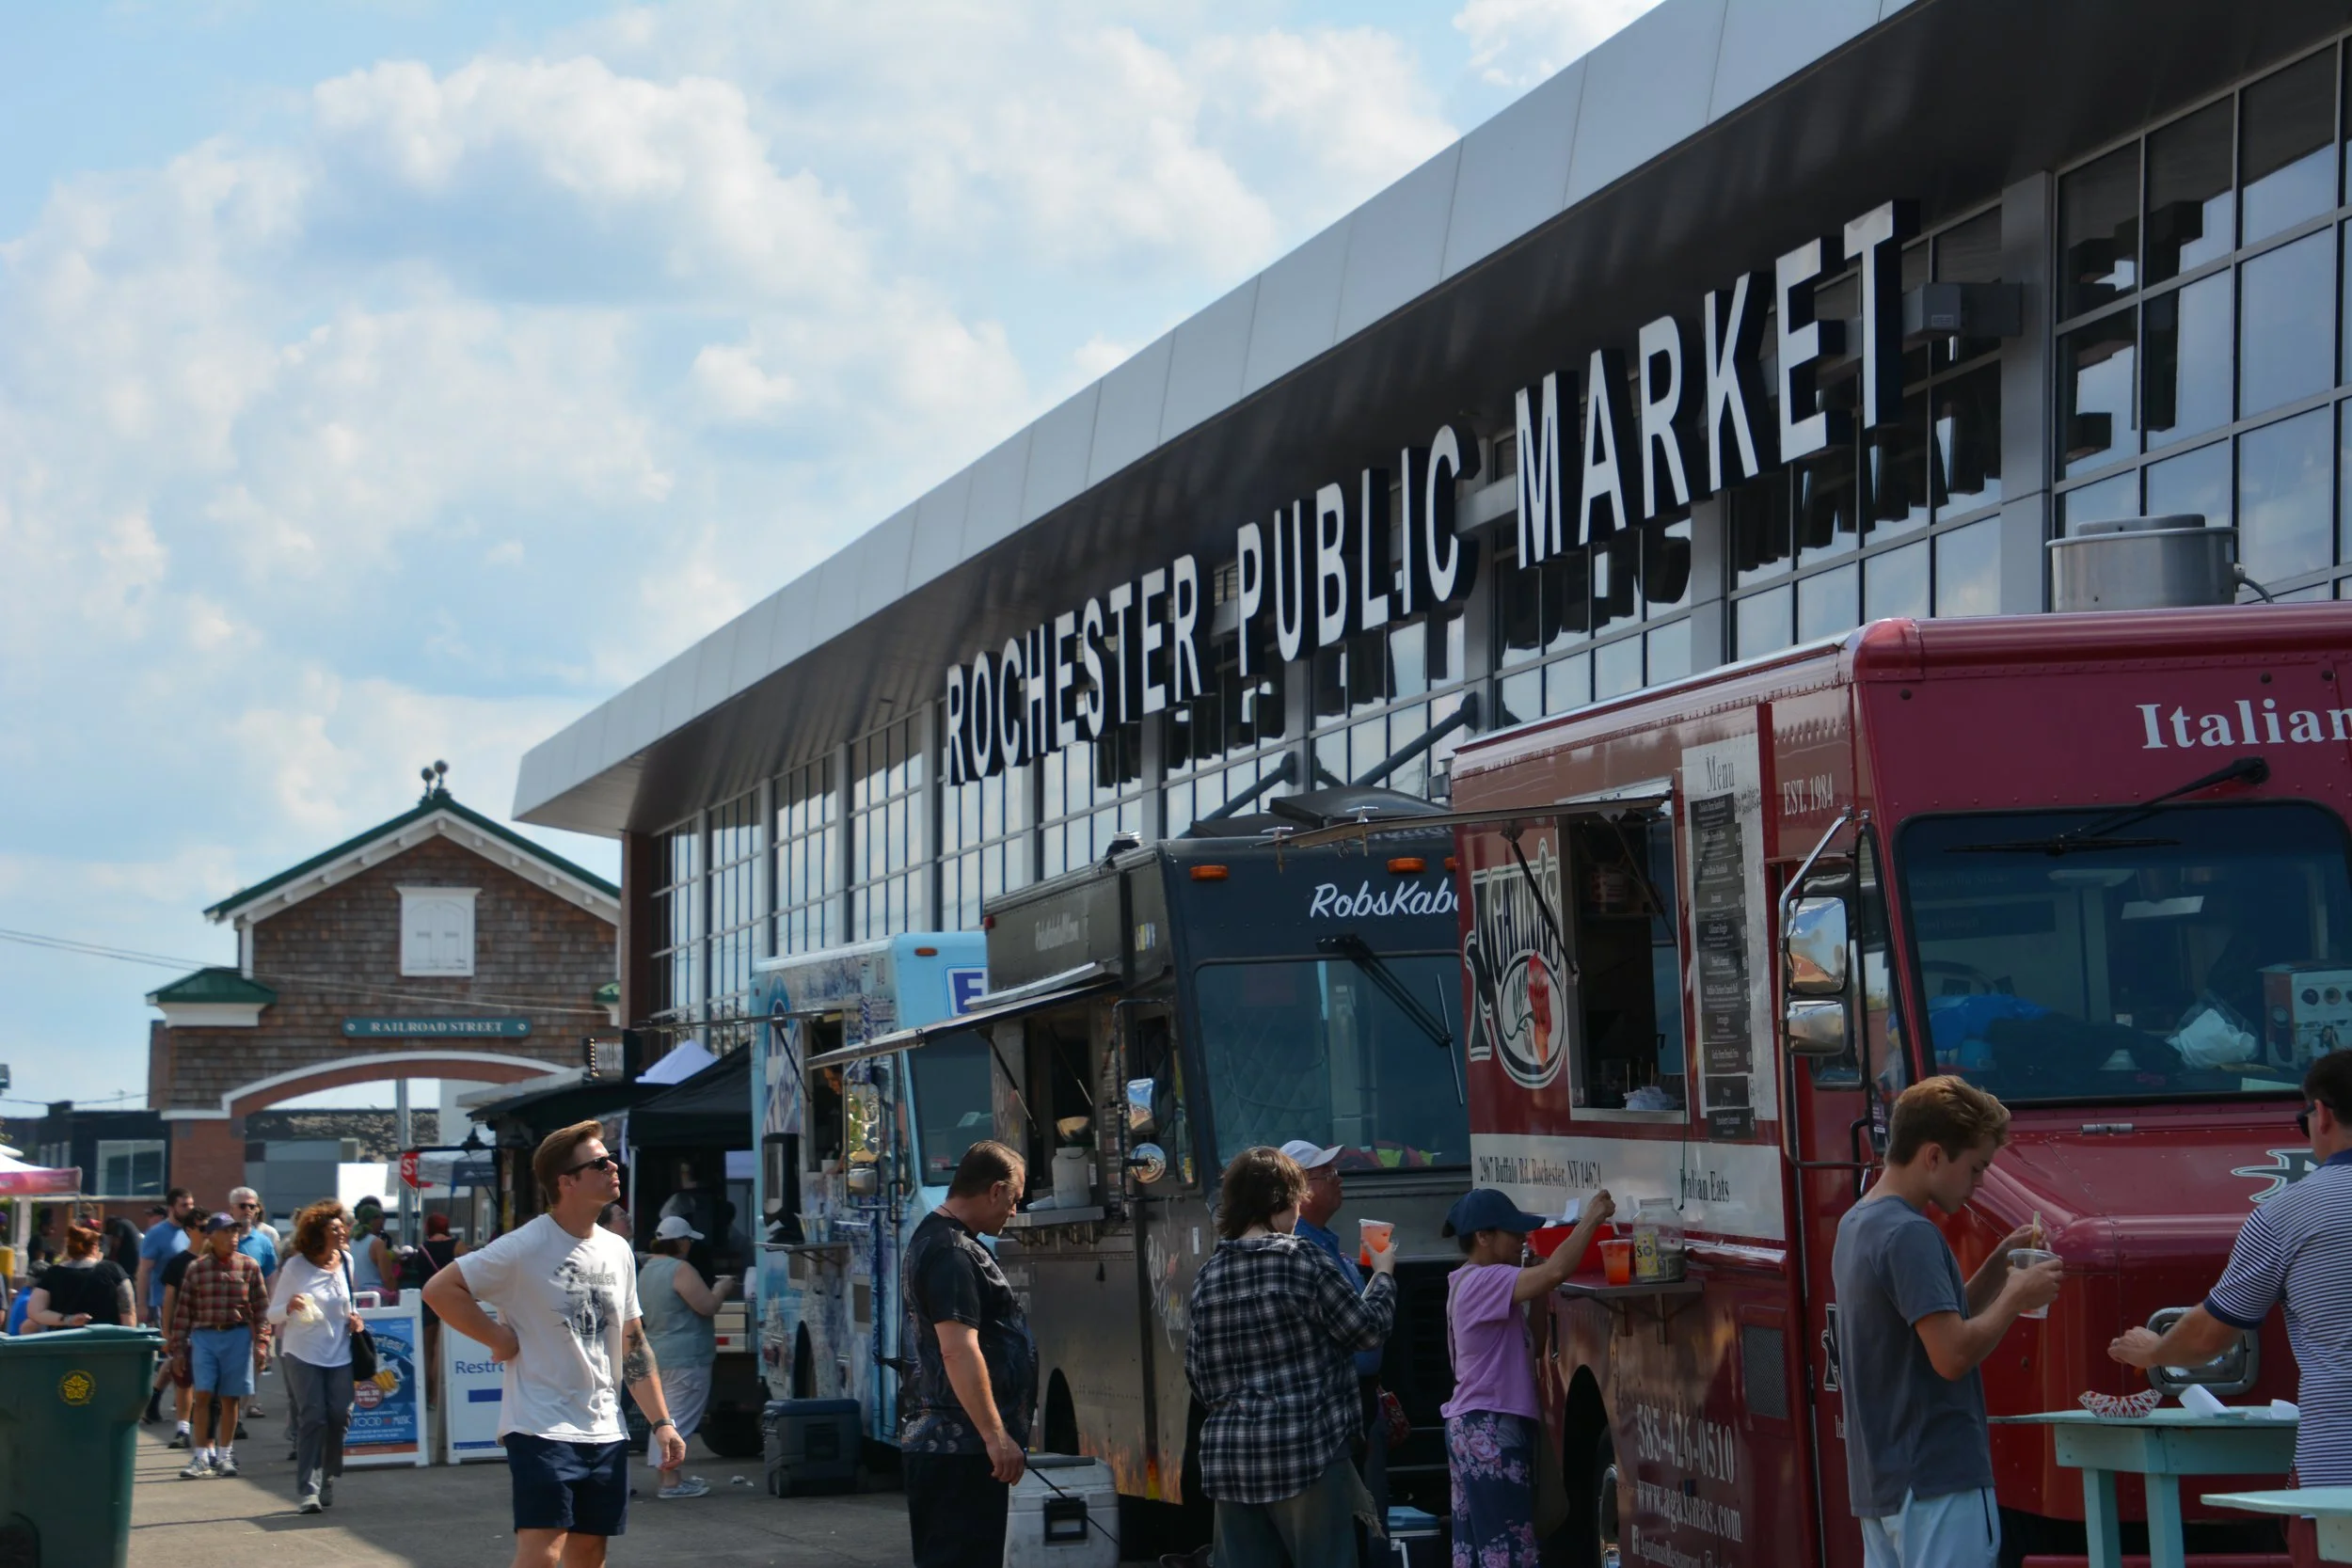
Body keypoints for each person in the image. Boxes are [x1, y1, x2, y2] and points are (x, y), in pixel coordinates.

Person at [2110, 1049, 2352, 1568]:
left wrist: (2155, 1349)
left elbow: (2208, 1336)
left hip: (2338, 1478)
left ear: (2324, 1114)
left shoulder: (2289, 1212)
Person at [423, 1121, 688, 1568]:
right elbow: (439, 1289)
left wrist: (662, 1421)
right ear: (566, 1181)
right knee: (543, 1552)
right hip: (540, 1427)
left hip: (604, 1426)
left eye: (611, 1160)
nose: (613, 1168)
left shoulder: (617, 1249)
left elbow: (633, 1341)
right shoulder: (524, 1246)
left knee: (589, 1552)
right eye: (600, 1163)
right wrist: (497, 1337)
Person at [1833, 1076, 2062, 1568]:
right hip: (1938, 1478)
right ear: (1934, 1156)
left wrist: (2000, 1268)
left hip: (1884, 1483)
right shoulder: (1912, 1234)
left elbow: (1935, 1323)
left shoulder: (1859, 1222)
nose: (1979, 1183)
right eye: (1976, 1167)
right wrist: (2016, 1296)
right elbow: (1952, 1355)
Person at [1186, 1146, 1396, 1568]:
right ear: (1279, 1200)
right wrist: (1384, 1274)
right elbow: (1367, 1330)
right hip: (1308, 1452)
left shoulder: (1209, 1274)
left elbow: (1200, 1377)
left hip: (1233, 1459)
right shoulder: (1302, 1259)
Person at [1439, 1188, 1616, 1568]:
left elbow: (1533, 1347)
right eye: (1512, 1231)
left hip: (1479, 1426)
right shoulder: (1485, 1280)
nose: (1522, 1238)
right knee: (1508, 1547)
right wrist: (1591, 1220)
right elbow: (1556, 1271)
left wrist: (1537, 1292)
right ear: (1483, 1237)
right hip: (1489, 1428)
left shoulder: (1477, 1282)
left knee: (1480, 1547)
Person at [899, 1140, 1037, 1568]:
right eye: (1013, 1199)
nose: (1013, 1211)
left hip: (951, 1445)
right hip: (958, 1450)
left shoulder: (941, 1240)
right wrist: (996, 1436)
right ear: (995, 1190)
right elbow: (958, 1350)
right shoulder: (952, 1252)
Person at [1279, 1137, 1392, 1546]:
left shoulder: (1325, 1241)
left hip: (1356, 1400)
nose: (1338, 1179)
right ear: (1301, 1189)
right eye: (1327, 1173)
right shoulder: (1303, 1249)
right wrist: (1383, 1274)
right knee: (1346, 1528)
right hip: (1331, 1412)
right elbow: (1361, 1329)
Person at [268, 1199, 365, 1513]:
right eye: (335, 1228)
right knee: (313, 1416)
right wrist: (289, 1307)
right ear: (318, 1233)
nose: (342, 1231)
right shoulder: (296, 1267)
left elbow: (350, 1303)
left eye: (342, 1226)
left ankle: (327, 1476)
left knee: (339, 1415)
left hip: (340, 1353)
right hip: (302, 1353)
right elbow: (272, 1315)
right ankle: (308, 1489)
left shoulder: (347, 1261)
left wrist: (356, 1318)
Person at [637, 1213, 739, 1498]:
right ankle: (671, 1483)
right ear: (681, 1243)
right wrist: (721, 1288)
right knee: (678, 1419)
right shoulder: (680, 1269)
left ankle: (668, 1477)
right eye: (688, 1241)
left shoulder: (646, 1270)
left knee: (664, 1417)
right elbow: (706, 1306)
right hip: (687, 1357)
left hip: (657, 1353)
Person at [167, 1212, 272, 1480]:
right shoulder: (197, 1268)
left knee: (230, 1397)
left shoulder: (249, 1267)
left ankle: (225, 1456)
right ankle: (201, 1456)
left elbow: (261, 1311)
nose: (232, 1237)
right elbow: (183, 1312)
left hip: (237, 1335)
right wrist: (177, 1349)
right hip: (204, 1336)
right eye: (226, 1232)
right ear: (211, 1236)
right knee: (202, 1395)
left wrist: (261, 1345)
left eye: (235, 1232)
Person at [148, 1206, 208, 1441]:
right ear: (189, 1230)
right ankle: (183, 1427)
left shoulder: (217, 1260)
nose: (208, 1233)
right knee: (183, 1376)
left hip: (211, 1327)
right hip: (185, 1328)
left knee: (208, 1380)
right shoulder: (178, 1262)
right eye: (203, 1229)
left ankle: (206, 1423)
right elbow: (169, 1299)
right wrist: (167, 1330)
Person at [24, 1222, 135, 1329]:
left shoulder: (53, 1273)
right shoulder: (114, 1271)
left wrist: (69, 1319)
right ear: (95, 1247)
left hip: (63, 1342)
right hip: (105, 1342)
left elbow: (34, 1311)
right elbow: (128, 1313)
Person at [137, 1186, 197, 1324]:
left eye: (191, 1205)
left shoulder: (194, 1231)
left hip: (190, 1303)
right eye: (184, 1205)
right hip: (163, 1304)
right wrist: (141, 1305)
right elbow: (144, 1271)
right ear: (171, 1208)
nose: (190, 1209)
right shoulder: (156, 1234)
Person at [350, 1197, 394, 1299]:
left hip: (357, 1297)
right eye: (381, 1218)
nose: (383, 1221)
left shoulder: (351, 1242)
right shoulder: (377, 1243)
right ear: (373, 1220)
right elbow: (387, 1278)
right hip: (376, 1299)